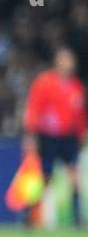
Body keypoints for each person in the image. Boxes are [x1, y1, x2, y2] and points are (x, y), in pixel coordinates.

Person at [22, 46, 86, 227]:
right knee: (43, 177)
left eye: (70, 59)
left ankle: (76, 217)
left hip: (69, 138)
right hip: (48, 137)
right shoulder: (44, 82)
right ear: (57, 61)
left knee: (74, 175)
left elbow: (79, 115)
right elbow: (34, 108)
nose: (68, 63)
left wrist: (81, 135)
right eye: (65, 59)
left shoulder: (76, 86)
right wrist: (31, 134)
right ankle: (30, 214)